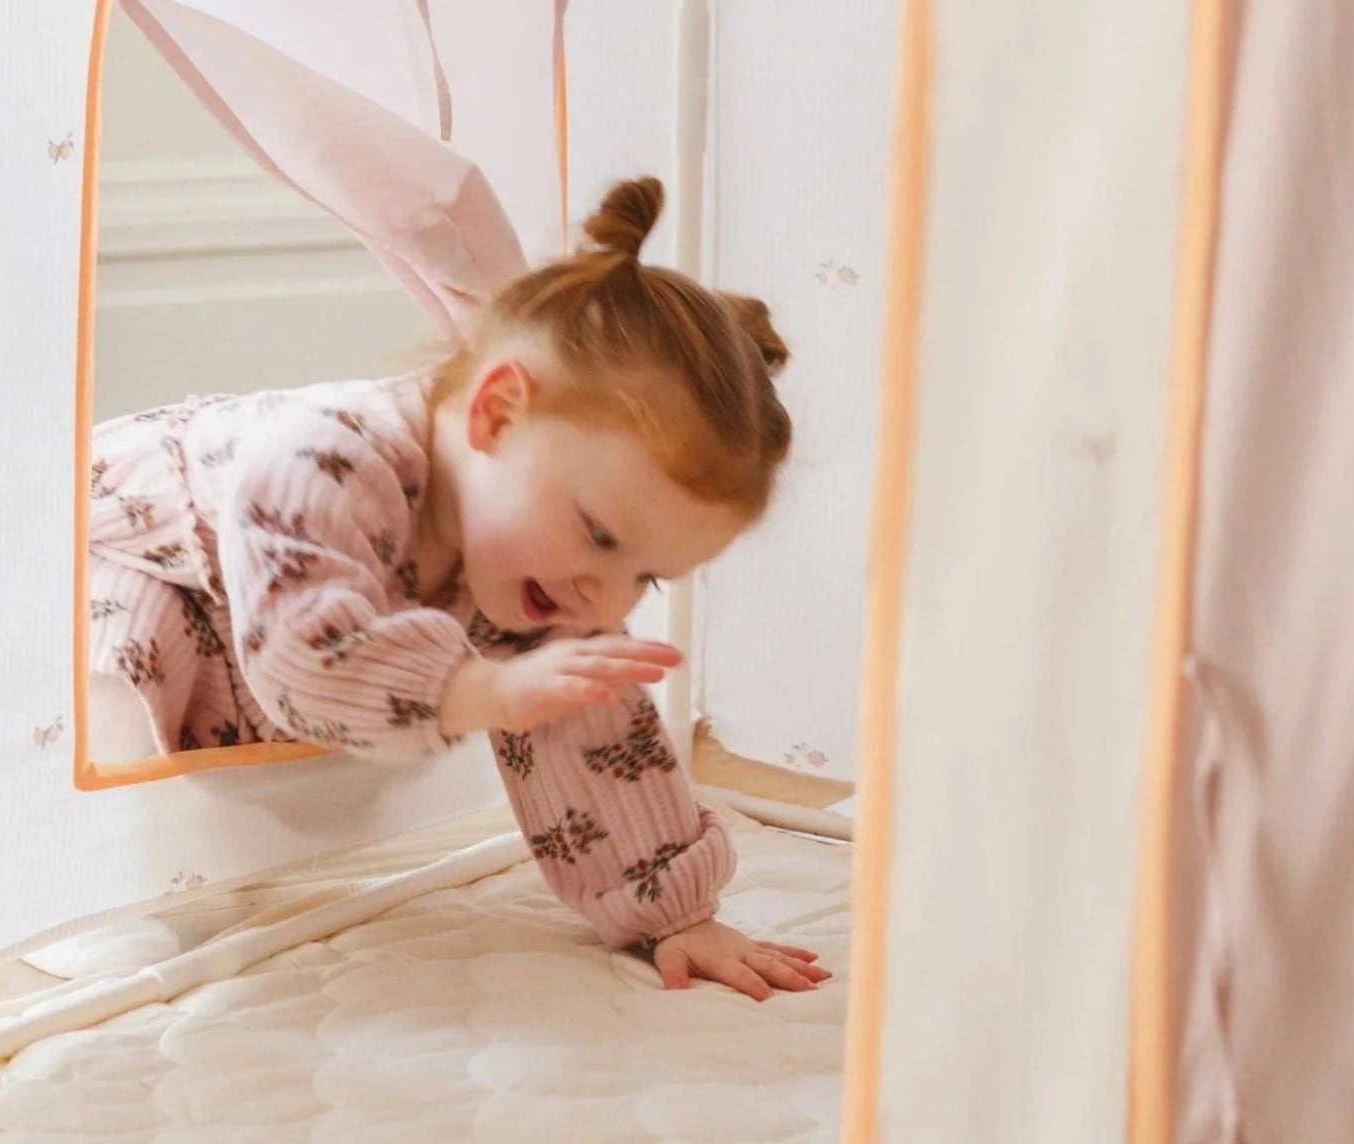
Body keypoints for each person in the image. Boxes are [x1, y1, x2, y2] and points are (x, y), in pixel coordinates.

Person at [85, 176, 827, 1001]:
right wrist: (482, 689)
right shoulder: (325, 458)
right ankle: (90, 878)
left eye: (644, 575)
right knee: (130, 634)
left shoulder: (540, 557)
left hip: (256, 636)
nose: (607, 597)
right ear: (497, 414)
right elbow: (300, 658)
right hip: (127, 567)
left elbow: (597, 729)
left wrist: (675, 914)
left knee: (564, 673)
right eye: (602, 537)